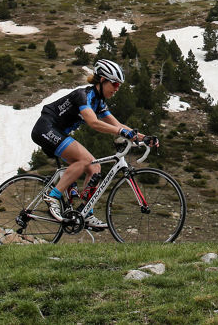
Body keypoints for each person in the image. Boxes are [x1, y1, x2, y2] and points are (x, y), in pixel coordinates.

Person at [30, 58, 157, 227]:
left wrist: (144, 138)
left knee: (95, 167)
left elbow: (118, 125)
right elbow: (94, 123)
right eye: (115, 84)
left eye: (119, 85)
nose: (117, 89)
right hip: (45, 128)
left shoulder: (99, 102)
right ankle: (52, 196)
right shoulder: (83, 95)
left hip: (57, 133)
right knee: (85, 160)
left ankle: (86, 213)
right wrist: (121, 132)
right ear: (103, 80)